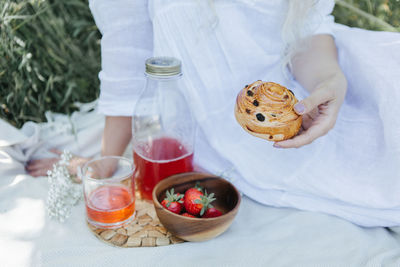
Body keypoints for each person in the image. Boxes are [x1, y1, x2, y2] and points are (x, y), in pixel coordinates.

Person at [27, 0, 400, 227]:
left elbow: (308, 31)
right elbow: (129, 57)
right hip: (229, 136)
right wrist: (105, 162)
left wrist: (331, 80)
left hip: (312, 91)